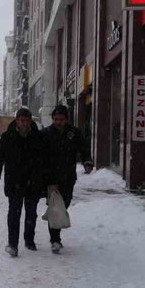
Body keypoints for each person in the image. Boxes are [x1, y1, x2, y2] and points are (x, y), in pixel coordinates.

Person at [0, 107, 46, 257]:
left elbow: (45, 160)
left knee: (31, 213)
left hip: (33, 182)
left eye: (27, 120)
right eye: (21, 120)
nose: (24, 123)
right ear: (17, 120)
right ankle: (13, 244)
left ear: (30, 121)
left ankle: (29, 240)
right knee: (14, 214)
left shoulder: (38, 137)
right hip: (14, 181)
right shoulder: (7, 137)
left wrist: (45, 180)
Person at [43, 105, 93, 254]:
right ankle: (55, 240)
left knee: (64, 204)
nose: (59, 122)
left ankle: (56, 236)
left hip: (68, 176)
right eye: (56, 119)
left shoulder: (74, 133)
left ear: (66, 119)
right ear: (53, 119)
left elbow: (84, 149)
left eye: (62, 119)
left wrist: (87, 161)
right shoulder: (46, 134)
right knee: (54, 207)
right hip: (51, 177)